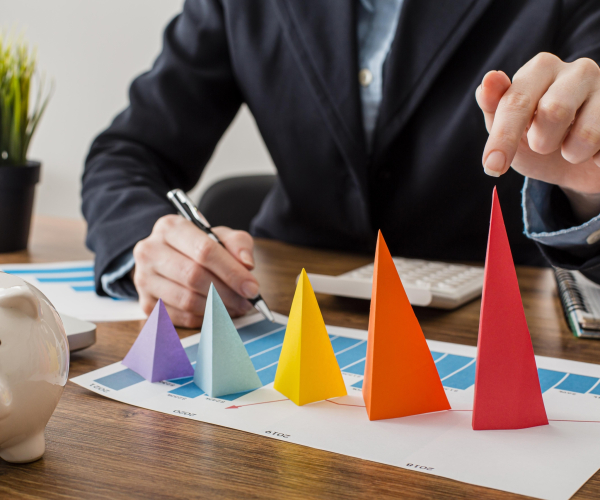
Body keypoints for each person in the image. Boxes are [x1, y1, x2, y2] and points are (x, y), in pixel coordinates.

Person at [82, 0, 600, 328]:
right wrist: (148, 250)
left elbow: (589, 142)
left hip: (502, 322)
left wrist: (591, 189)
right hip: (281, 309)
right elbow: (127, 152)